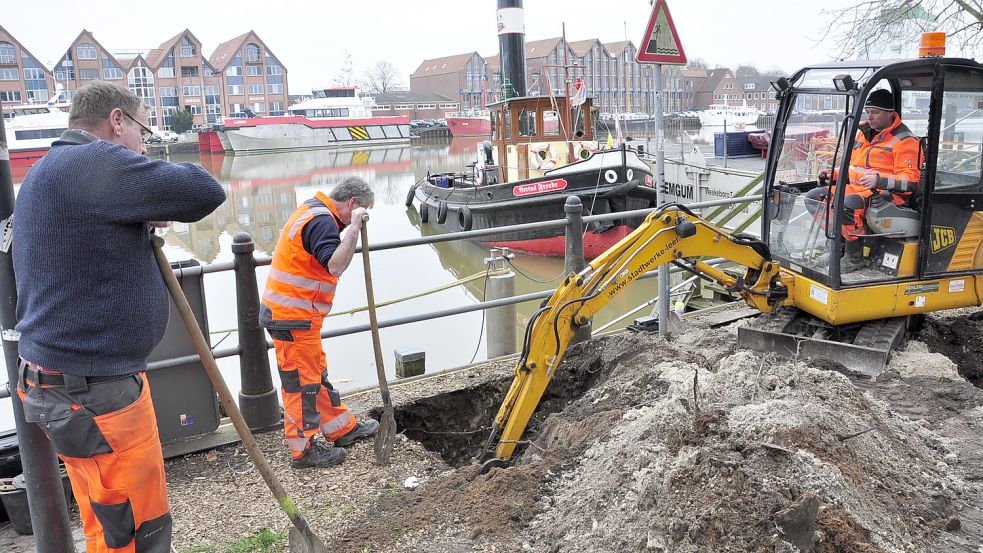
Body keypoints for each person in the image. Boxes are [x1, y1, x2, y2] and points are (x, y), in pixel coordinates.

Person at [13, 81, 226, 551]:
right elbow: (203, 190)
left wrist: (141, 208)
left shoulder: (49, 169)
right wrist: (148, 189)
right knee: (137, 526)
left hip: (61, 382)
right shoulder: (94, 161)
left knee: (104, 514)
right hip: (96, 390)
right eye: (143, 132)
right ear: (116, 121)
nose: (143, 145)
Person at [260, 177, 380, 468]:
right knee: (301, 384)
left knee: (315, 374)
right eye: (361, 211)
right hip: (292, 318)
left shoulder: (313, 211)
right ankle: (303, 451)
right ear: (352, 204)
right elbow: (335, 264)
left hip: (298, 316)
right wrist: (353, 228)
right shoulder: (322, 222)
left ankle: (341, 428)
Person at [805, 88, 921, 271]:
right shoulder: (862, 133)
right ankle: (839, 247)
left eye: (875, 113)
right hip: (858, 188)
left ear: (891, 114)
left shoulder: (905, 141)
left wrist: (879, 180)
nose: (870, 117)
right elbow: (853, 166)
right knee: (814, 197)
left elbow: (910, 181)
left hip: (888, 196)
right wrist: (833, 174)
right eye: (868, 112)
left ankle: (854, 257)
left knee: (847, 203)